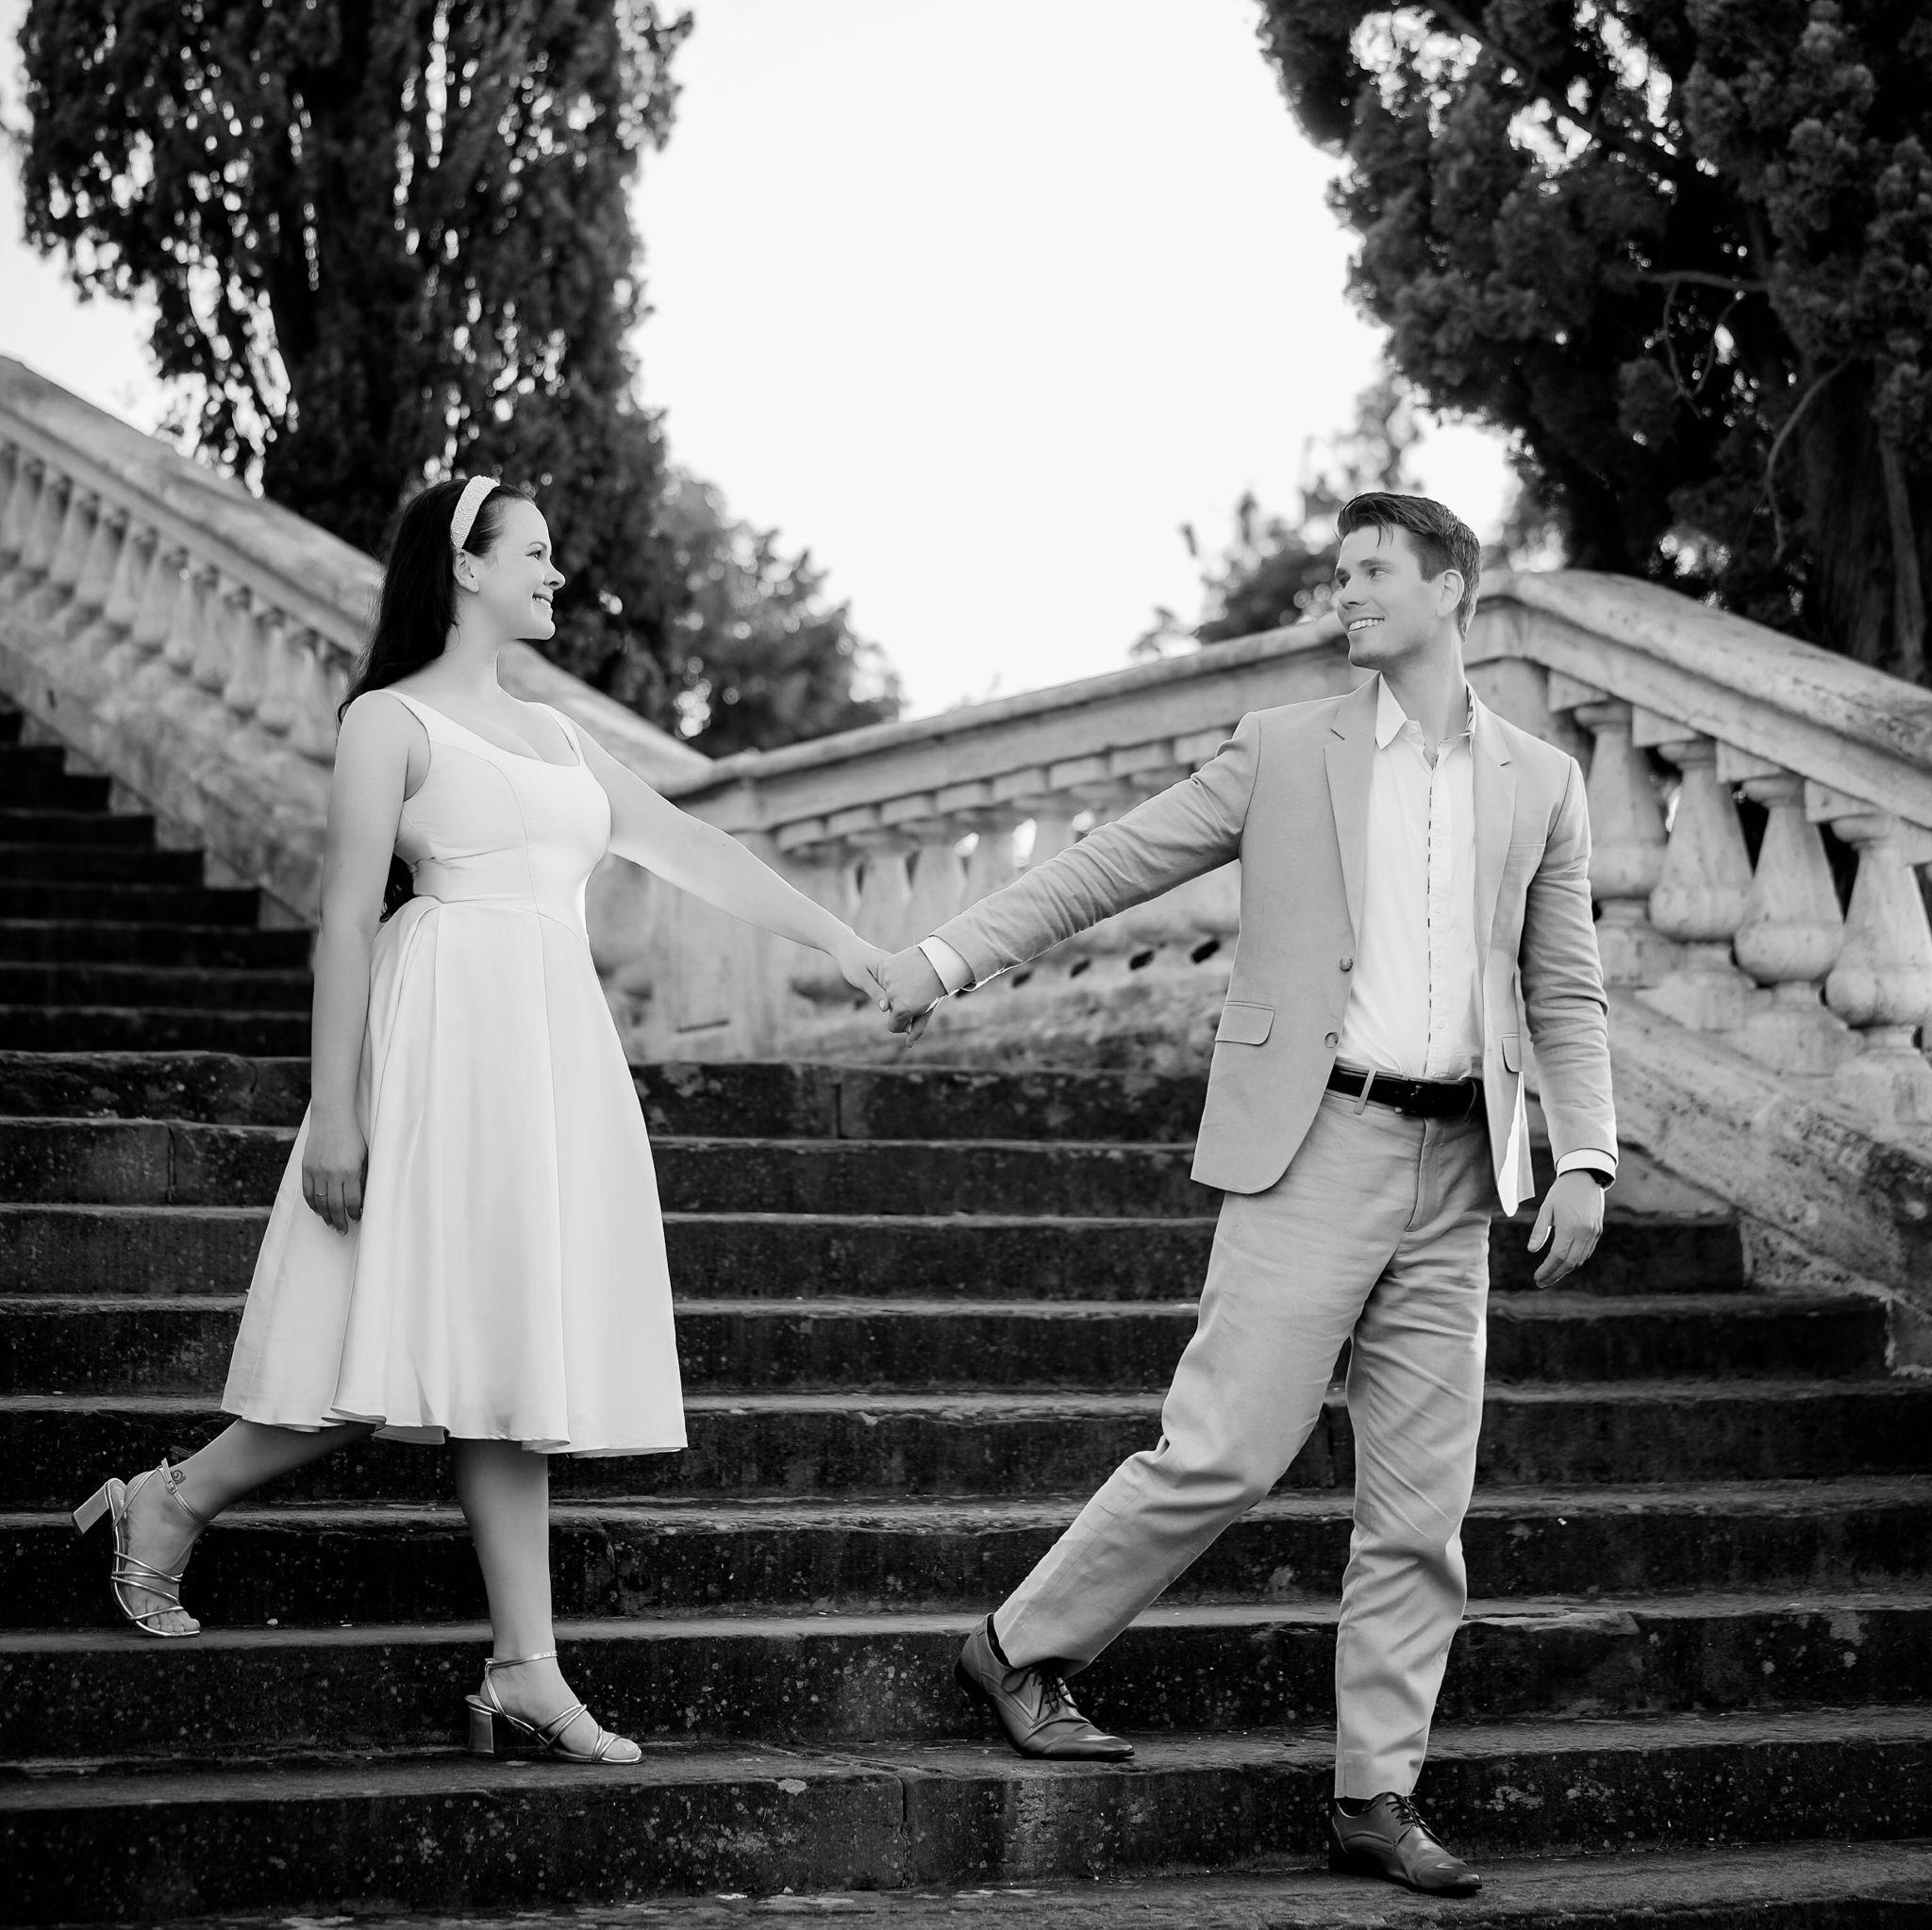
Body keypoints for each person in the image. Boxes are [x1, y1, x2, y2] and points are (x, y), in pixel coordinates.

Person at [73, 475, 888, 1764]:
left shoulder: (560, 736)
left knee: (509, 1356)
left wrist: (842, 941)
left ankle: (523, 1665)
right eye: (536, 553)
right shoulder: (387, 722)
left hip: (546, 1060)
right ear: (465, 564)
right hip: (434, 1045)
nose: (557, 574)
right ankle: (171, 1501)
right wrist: (333, 1113)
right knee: (378, 1331)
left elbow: (690, 846)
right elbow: (346, 920)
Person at [873, 492, 1614, 1896]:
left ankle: (1375, 1796)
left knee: (1421, 1510)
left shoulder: (1541, 781)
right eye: (1339, 574)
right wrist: (948, 958)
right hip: (1313, 1142)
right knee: (1224, 1450)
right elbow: (1110, 862)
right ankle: (1019, 1646)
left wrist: (1584, 1155)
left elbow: (1563, 986)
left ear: (1452, 587)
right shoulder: (1282, 749)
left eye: (1374, 570)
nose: (1348, 593)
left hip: (1461, 1167)